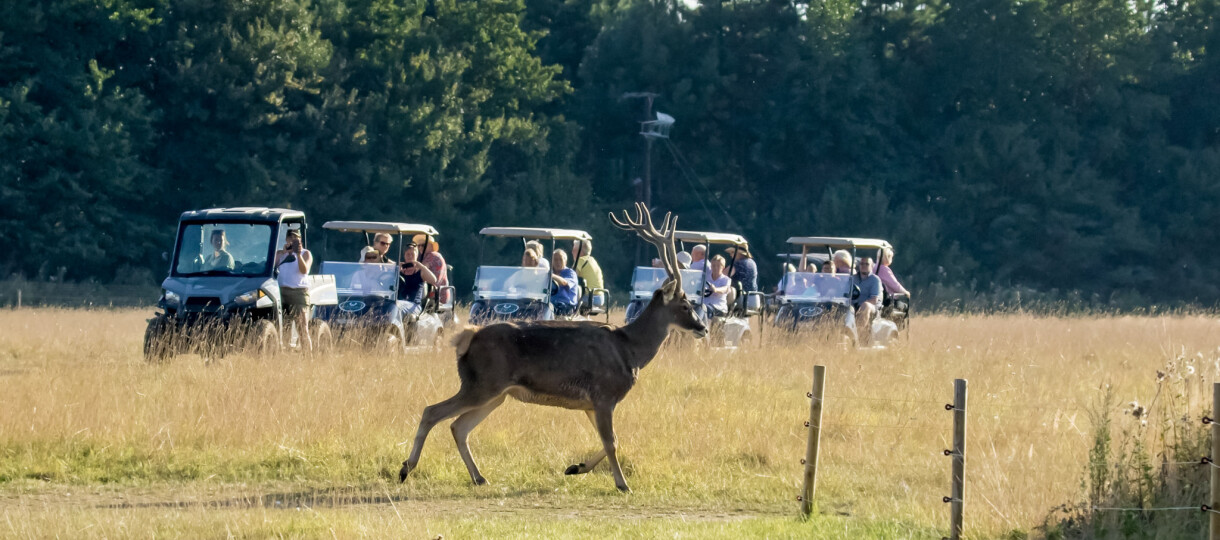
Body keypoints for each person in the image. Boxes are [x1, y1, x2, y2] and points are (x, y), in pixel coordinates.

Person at [275, 230, 313, 351]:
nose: (292, 241)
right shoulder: (281, 254)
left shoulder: (306, 253)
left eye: (295, 239)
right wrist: (284, 253)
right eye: (290, 238)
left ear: (300, 240)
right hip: (281, 292)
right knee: (283, 327)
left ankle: (308, 356)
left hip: (299, 292)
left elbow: (304, 270)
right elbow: (272, 268)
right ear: (286, 240)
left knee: (302, 328)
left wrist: (298, 254)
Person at [397, 241, 438, 318]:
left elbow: (433, 280)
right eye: (408, 254)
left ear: (417, 255)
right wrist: (396, 269)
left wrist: (421, 266)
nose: (410, 256)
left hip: (414, 305)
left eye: (412, 254)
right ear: (404, 256)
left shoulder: (420, 272)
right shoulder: (400, 272)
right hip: (399, 302)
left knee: (397, 307)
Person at [852, 257, 884, 338]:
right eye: (862, 264)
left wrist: (860, 305)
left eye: (867, 264)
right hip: (854, 306)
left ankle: (858, 335)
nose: (864, 266)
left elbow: (874, 300)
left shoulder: (875, 280)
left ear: (872, 266)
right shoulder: (853, 278)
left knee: (865, 306)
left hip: (872, 307)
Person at [414, 234, 450, 305]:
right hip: (437, 293)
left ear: (431, 246)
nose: (420, 248)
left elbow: (418, 270)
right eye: (419, 246)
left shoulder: (432, 255)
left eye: (423, 245)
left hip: (434, 295)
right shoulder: (433, 255)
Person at [571, 238, 604, 307]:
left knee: (566, 299)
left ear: (580, 251)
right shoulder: (592, 260)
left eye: (574, 250)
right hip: (600, 298)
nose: (572, 252)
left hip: (589, 298)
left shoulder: (580, 260)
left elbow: (571, 278)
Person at [549, 249, 579, 317]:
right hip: (551, 304)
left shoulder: (570, 273)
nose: (558, 262)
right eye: (555, 260)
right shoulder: (549, 273)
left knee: (550, 310)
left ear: (565, 262)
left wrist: (551, 276)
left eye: (560, 259)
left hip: (566, 306)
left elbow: (564, 283)